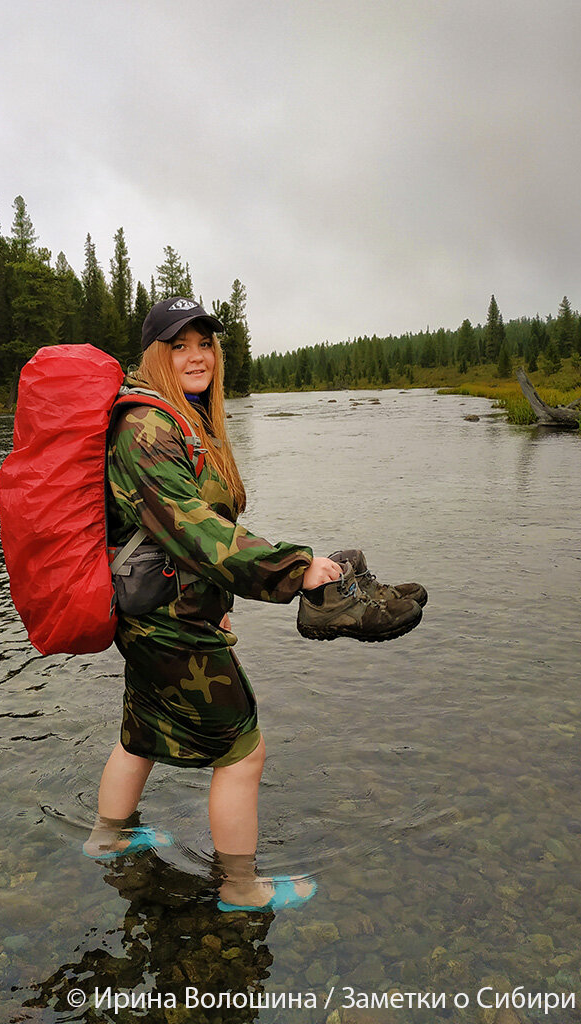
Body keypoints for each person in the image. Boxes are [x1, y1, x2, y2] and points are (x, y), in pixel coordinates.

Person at [83, 296, 422, 911]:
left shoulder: (178, 418)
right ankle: (240, 888)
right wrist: (298, 569)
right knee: (243, 749)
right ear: (154, 353)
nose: (196, 356)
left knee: (141, 730)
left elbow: (185, 533)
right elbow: (193, 529)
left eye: (205, 343)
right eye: (179, 344)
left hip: (163, 611)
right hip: (167, 624)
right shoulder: (147, 428)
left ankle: (108, 841)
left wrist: (214, 599)